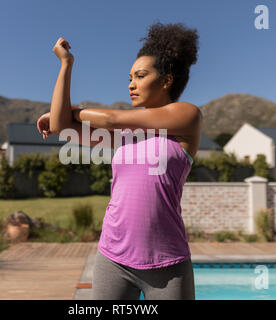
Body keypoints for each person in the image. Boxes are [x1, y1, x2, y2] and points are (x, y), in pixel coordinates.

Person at [37, 20, 202, 300]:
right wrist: (66, 64)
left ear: (166, 81)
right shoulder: (127, 134)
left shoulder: (187, 116)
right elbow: (60, 126)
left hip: (167, 263)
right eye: (129, 78)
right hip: (113, 258)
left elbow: (110, 118)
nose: (131, 85)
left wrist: (74, 111)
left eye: (139, 76)